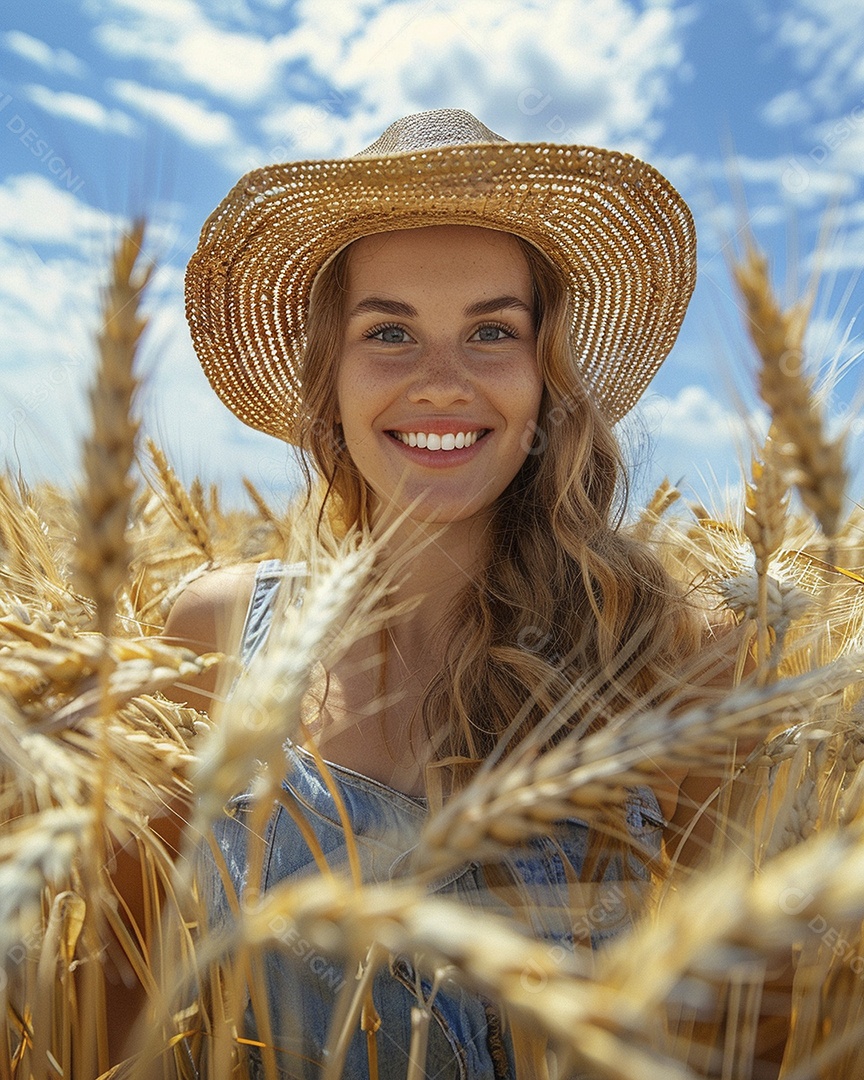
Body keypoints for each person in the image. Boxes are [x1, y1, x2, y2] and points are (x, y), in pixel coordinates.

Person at [166, 108, 732, 1078]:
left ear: (546, 375)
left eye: (491, 331)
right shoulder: (212, 630)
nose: (440, 383)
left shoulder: (673, 652)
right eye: (389, 331)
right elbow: (130, 992)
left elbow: (740, 1026)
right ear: (329, 378)